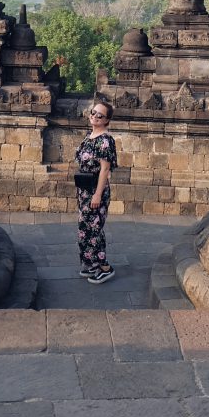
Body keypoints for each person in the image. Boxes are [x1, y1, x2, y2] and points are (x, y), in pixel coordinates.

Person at [74, 97, 117, 283]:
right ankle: (90, 264)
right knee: (84, 227)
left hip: (96, 190)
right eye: (93, 112)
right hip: (84, 191)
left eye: (100, 115)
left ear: (107, 120)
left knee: (94, 229)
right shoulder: (88, 137)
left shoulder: (106, 141)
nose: (95, 116)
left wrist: (98, 194)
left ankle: (104, 267)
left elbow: (105, 169)